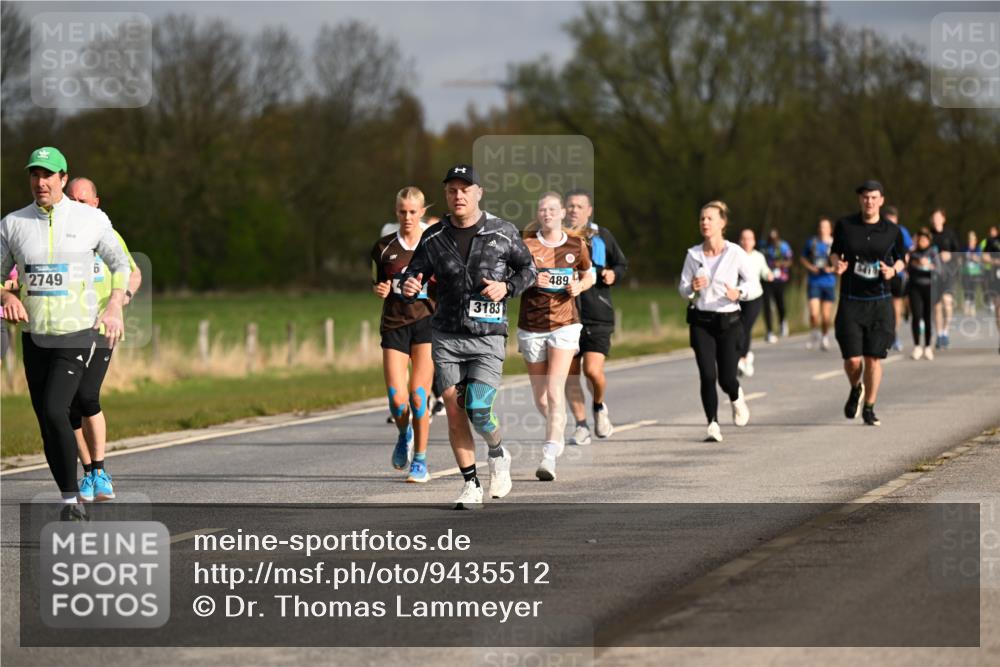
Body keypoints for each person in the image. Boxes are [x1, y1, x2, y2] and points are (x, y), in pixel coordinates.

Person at [0, 147, 130, 521]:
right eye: (34, 175)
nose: (40, 182)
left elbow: (121, 263)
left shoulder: (91, 219)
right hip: (35, 336)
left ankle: (76, 495)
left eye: (48, 175)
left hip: (77, 333)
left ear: (62, 177)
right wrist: (8, 294)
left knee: (58, 408)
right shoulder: (13, 224)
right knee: (46, 418)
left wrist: (115, 303)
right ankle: (70, 498)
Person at [400, 165, 536, 509]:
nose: (458, 196)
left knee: (478, 407)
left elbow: (529, 270)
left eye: (465, 189)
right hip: (446, 334)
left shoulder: (502, 231)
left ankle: (497, 452)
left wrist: (506, 286)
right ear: (446, 195)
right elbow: (414, 273)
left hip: (488, 335)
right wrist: (410, 283)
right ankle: (471, 483)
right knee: (453, 407)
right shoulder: (434, 236)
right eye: (452, 190)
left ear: (479, 192)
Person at [64, 177, 142, 502]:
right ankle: (89, 474)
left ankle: (100, 470)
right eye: (72, 200)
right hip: (67, 328)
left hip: (102, 326)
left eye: (84, 201)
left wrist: (119, 302)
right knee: (67, 406)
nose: (77, 207)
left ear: (96, 203)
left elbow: (133, 273)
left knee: (87, 396)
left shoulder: (107, 236)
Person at [517, 192, 593, 481]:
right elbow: (511, 281)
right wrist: (531, 280)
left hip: (565, 324)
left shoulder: (576, 244)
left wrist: (579, 288)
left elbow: (589, 274)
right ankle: (558, 428)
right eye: (542, 210)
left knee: (553, 390)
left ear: (562, 213)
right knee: (541, 400)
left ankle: (549, 455)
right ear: (538, 215)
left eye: (552, 209)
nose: (547, 213)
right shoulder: (526, 246)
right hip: (531, 326)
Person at [678, 201, 758, 442]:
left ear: (722, 224)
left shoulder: (735, 253)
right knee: (707, 374)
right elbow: (682, 289)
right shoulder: (693, 254)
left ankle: (736, 397)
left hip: (729, 322)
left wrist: (739, 293)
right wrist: (691, 288)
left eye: (710, 218)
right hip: (701, 322)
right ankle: (712, 423)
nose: (704, 222)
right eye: (702, 219)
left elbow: (754, 285)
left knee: (726, 378)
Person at [371, 186, 436, 483]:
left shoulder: (436, 244)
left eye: (413, 212)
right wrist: (380, 289)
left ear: (422, 212)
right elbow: (381, 282)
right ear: (396, 212)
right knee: (398, 400)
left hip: (427, 325)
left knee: (418, 396)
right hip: (395, 324)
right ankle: (403, 432)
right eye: (402, 211)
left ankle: (420, 461)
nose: (407, 217)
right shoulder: (383, 247)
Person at [831, 180, 907, 427]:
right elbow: (835, 251)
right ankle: (856, 387)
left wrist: (893, 271)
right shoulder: (845, 225)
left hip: (880, 301)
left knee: (873, 358)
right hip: (851, 301)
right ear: (859, 200)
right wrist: (837, 264)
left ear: (881, 200)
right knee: (853, 360)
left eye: (874, 197)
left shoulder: (892, 230)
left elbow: (902, 259)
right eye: (865, 197)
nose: (869, 201)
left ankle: (870, 407)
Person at [562, 188, 628, 445]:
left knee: (592, 370)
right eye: (570, 206)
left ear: (589, 211)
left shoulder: (602, 236)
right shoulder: (557, 237)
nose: (574, 210)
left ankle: (599, 406)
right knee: (570, 375)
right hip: (565, 315)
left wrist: (615, 274)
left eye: (579, 206)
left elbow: (621, 263)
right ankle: (580, 426)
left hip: (597, 313)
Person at [736, 228, 770, 377]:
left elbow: (765, 271)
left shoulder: (759, 257)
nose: (746, 242)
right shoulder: (734, 256)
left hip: (755, 297)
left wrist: (769, 274)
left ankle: (742, 359)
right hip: (737, 298)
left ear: (754, 241)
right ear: (739, 241)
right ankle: (746, 356)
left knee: (745, 327)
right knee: (737, 328)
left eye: (749, 239)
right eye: (743, 238)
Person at [800, 217, 837, 351]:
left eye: (825, 227)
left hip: (829, 282)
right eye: (821, 227)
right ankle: (814, 332)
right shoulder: (812, 242)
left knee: (826, 315)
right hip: (814, 281)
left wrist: (832, 269)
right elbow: (803, 258)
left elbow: (841, 263)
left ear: (830, 229)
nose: (823, 229)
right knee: (814, 313)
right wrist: (811, 268)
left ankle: (825, 337)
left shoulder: (835, 244)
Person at [881, 206, 913, 351]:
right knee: (882, 306)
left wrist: (905, 264)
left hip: (897, 274)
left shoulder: (902, 231)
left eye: (893, 221)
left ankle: (895, 336)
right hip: (881, 273)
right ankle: (883, 334)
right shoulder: (878, 230)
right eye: (888, 221)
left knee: (895, 307)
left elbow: (909, 249)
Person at [929, 208, 960, 349]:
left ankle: (946, 331)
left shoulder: (950, 234)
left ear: (943, 219)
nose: (935, 220)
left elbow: (958, 254)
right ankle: (939, 334)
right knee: (937, 306)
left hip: (949, 273)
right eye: (934, 218)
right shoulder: (929, 235)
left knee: (947, 302)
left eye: (938, 218)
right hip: (934, 273)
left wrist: (949, 255)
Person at [907, 229, 939, 360]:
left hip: (929, 287)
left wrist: (929, 265)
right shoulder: (913, 253)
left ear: (929, 241)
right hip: (915, 288)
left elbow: (939, 270)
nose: (922, 242)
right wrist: (915, 263)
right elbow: (907, 268)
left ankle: (927, 346)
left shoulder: (933, 252)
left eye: (925, 240)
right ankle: (916, 346)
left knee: (927, 317)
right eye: (920, 240)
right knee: (916, 316)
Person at [760, 228, 792, 342]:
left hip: (780, 278)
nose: (772, 241)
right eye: (770, 239)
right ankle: (769, 330)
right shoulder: (763, 246)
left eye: (774, 239)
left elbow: (789, 261)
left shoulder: (783, 246)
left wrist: (781, 263)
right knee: (767, 305)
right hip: (767, 278)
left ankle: (782, 322)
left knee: (780, 303)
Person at [960, 230, 983, 316]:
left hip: (975, 272)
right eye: (969, 240)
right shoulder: (964, 248)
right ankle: (967, 303)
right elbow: (960, 258)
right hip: (965, 271)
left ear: (975, 240)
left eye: (972, 239)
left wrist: (974, 257)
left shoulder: (978, 248)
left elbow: (979, 258)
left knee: (972, 288)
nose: (971, 241)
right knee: (966, 287)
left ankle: (972, 305)